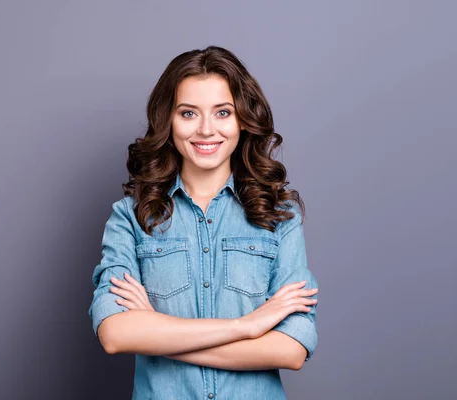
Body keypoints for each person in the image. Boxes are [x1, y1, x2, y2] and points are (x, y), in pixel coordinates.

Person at [88, 45, 319, 400]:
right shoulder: (130, 218)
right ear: (169, 120)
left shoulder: (279, 217)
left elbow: (290, 350)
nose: (207, 130)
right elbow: (116, 334)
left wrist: (157, 331)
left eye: (223, 112)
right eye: (188, 113)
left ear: (242, 119)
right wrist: (248, 326)